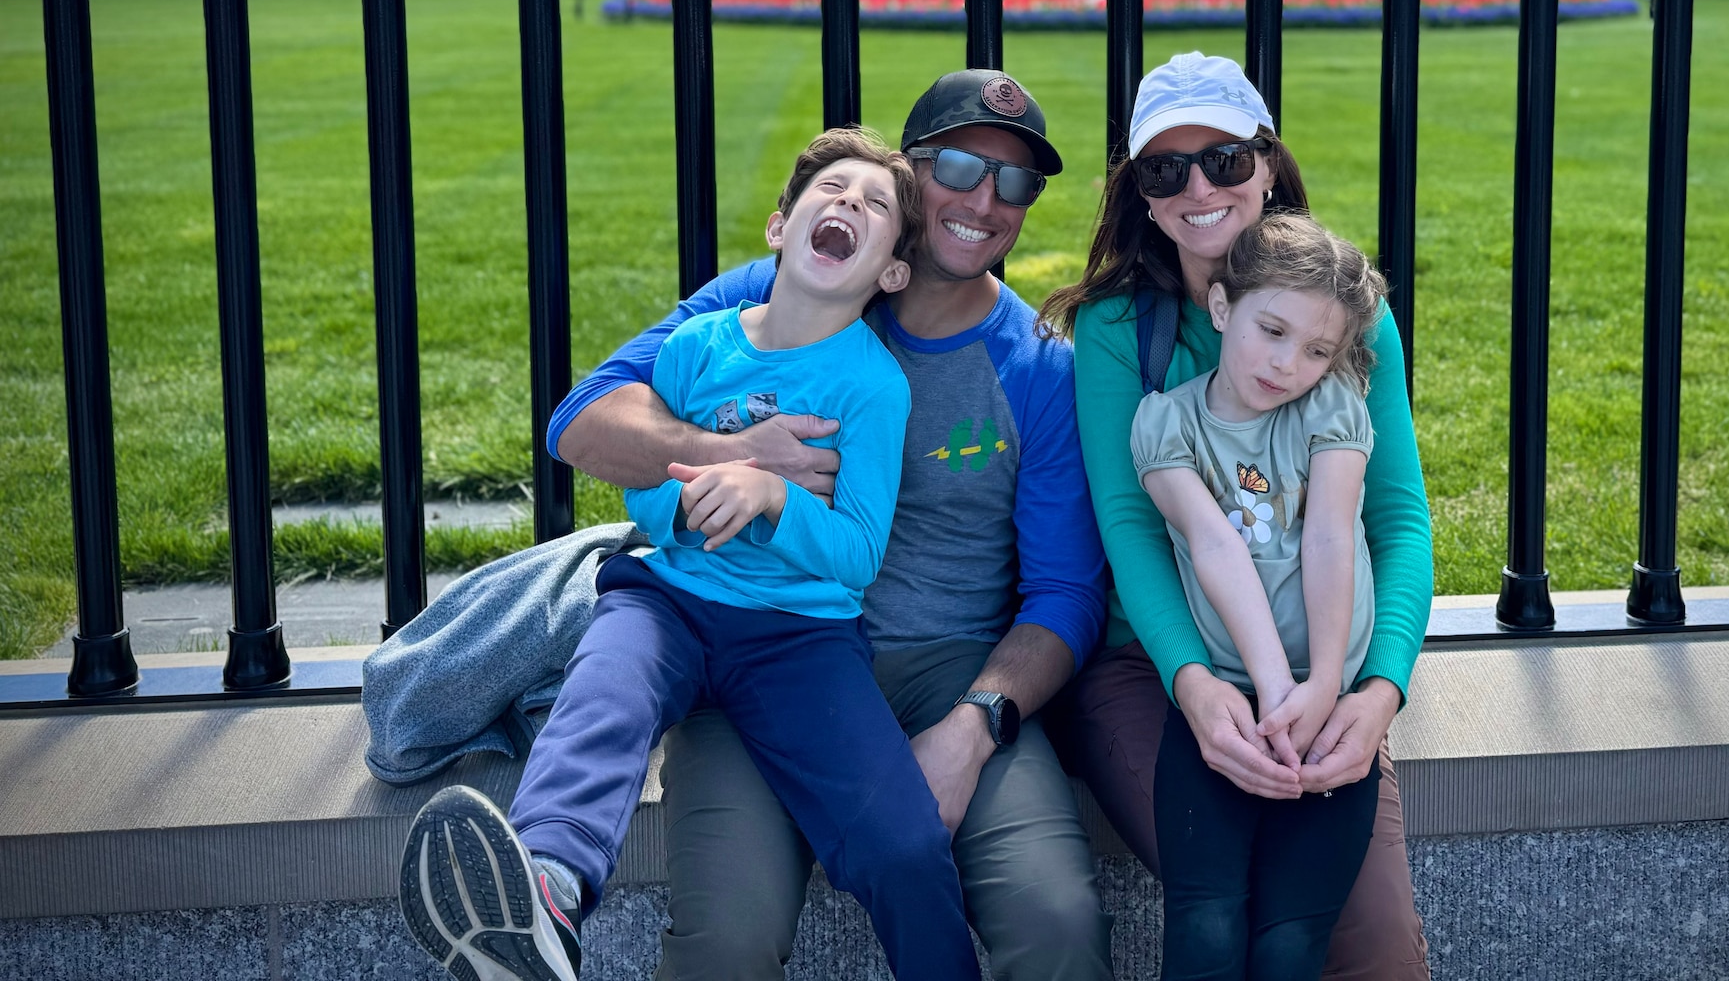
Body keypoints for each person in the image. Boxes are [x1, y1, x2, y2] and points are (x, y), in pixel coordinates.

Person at [552, 70, 1111, 981]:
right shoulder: (787, 292)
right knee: (726, 943)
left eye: (1015, 182)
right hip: (766, 643)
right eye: (962, 166)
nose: (984, 200)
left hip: (949, 669)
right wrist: (732, 455)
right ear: (908, 173)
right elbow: (581, 423)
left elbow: (1064, 594)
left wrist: (973, 726)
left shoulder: (1039, 368)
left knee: (1057, 923)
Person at [399, 129, 983, 981]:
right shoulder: (694, 349)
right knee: (603, 699)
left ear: (891, 271)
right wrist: (719, 477)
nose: (850, 203)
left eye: (877, 205)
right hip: (667, 600)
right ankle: (545, 899)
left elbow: (857, 554)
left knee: (901, 843)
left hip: (798, 635)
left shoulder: (872, 385)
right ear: (781, 226)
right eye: (833, 190)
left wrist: (775, 499)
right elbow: (645, 494)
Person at [1042, 50, 1435, 980]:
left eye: (1223, 158)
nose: (1198, 188)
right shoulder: (1112, 333)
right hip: (1157, 663)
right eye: (1164, 169)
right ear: (1139, 192)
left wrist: (1375, 691)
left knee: (1369, 949)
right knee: (1228, 904)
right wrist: (1197, 685)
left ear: (1267, 164)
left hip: (1322, 661)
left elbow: (1395, 518)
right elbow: (1132, 527)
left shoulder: (1346, 318)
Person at [1136, 212, 1389, 980]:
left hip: (1331, 710)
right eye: (1271, 330)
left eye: (1316, 349)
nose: (1287, 363)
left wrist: (1319, 687)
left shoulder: (1331, 406)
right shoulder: (1165, 424)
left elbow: (1330, 536)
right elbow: (1214, 547)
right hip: (1227, 703)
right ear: (1221, 309)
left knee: (1291, 943)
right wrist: (1276, 686)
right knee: (1206, 929)